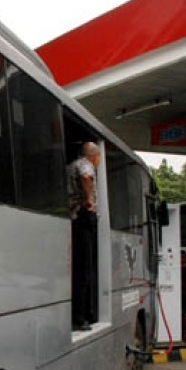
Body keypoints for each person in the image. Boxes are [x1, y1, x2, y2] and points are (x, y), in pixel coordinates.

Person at [68, 141, 101, 331]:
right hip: (82, 216)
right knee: (85, 270)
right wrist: (89, 201)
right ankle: (81, 317)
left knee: (78, 267)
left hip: (73, 217)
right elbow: (86, 177)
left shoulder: (70, 165)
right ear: (94, 156)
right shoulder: (85, 165)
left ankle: (79, 314)